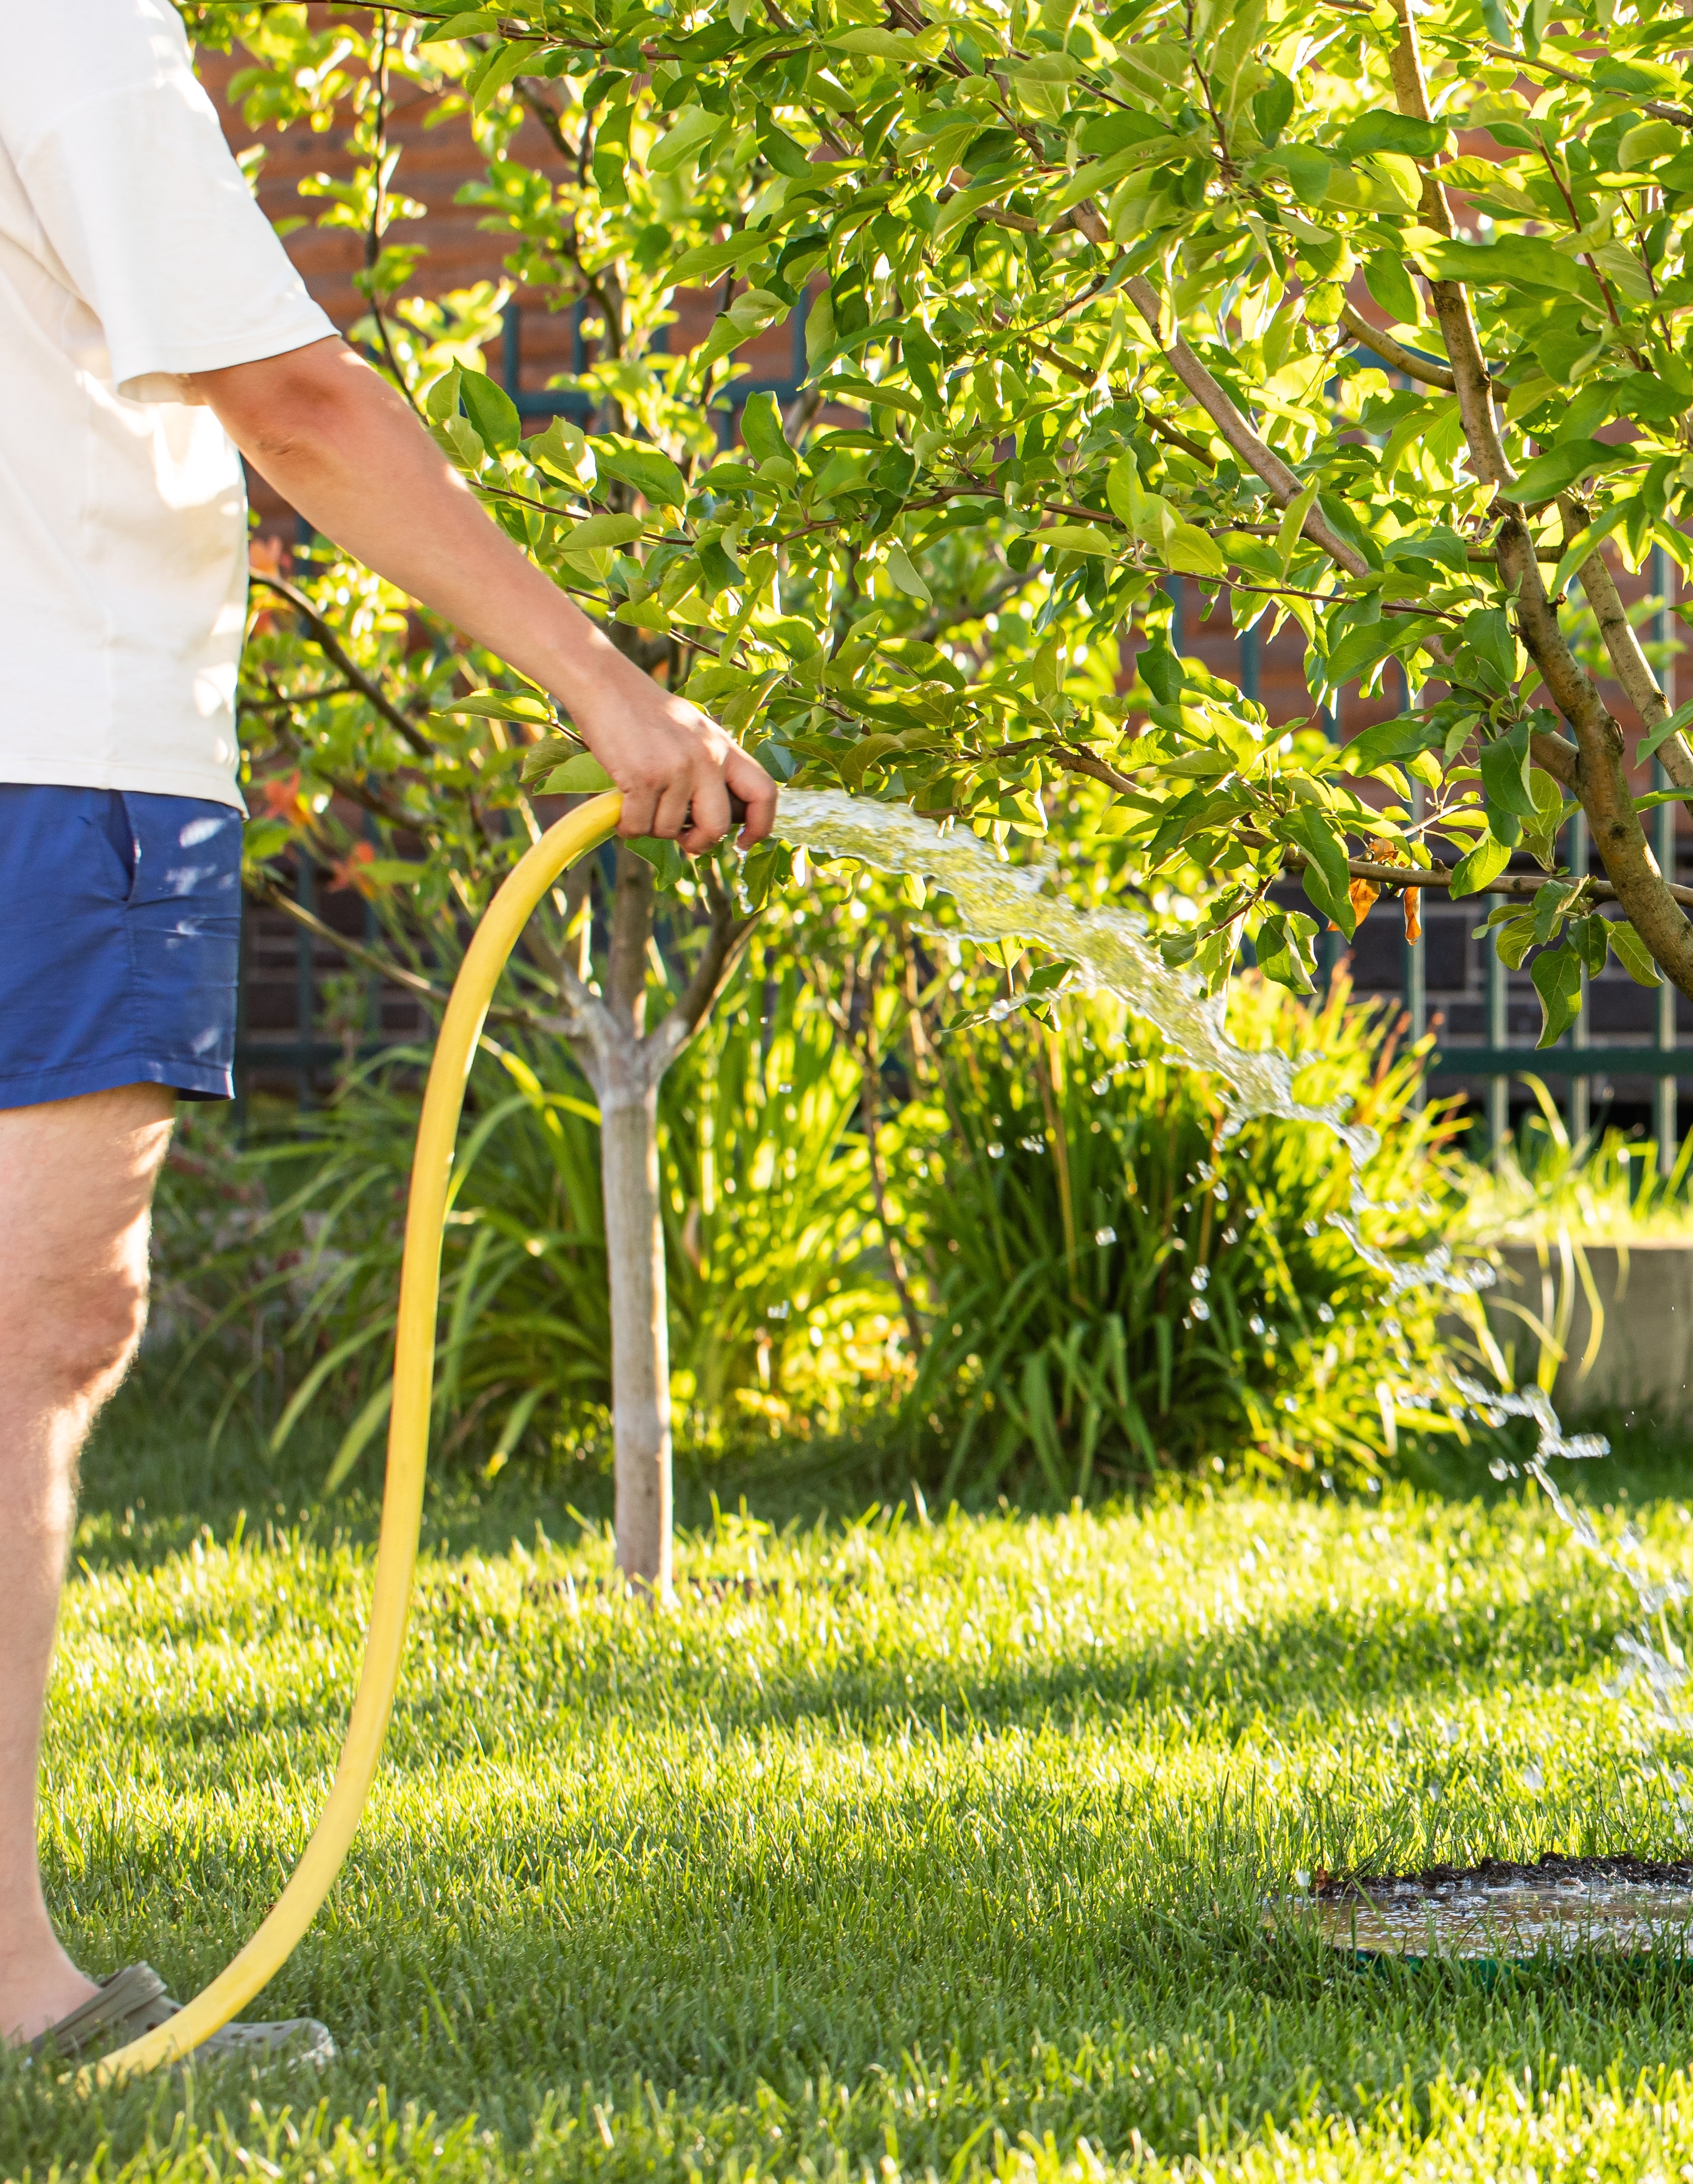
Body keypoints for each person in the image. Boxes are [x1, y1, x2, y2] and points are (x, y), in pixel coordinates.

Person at [0, 0, 777, 2064]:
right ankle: (3, 1986)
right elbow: (295, 396)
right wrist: (610, 693)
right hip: (48, 760)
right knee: (28, 1342)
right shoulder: (64, 25)